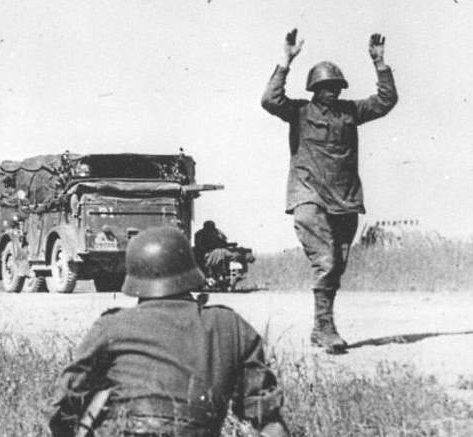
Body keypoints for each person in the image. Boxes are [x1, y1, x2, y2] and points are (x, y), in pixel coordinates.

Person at [49, 226, 289, 437]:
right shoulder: (229, 325)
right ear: (191, 271)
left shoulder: (112, 326)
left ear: (133, 278)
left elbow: (65, 401)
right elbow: (267, 417)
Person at [261, 29, 398, 354]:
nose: (332, 92)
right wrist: (286, 61)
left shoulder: (350, 112)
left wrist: (380, 64)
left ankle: (321, 326)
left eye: (336, 87)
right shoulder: (299, 112)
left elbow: (385, 101)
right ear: (314, 90)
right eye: (326, 87)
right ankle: (325, 329)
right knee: (325, 260)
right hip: (308, 195)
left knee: (337, 264)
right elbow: (270, 100)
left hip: (345, 199)